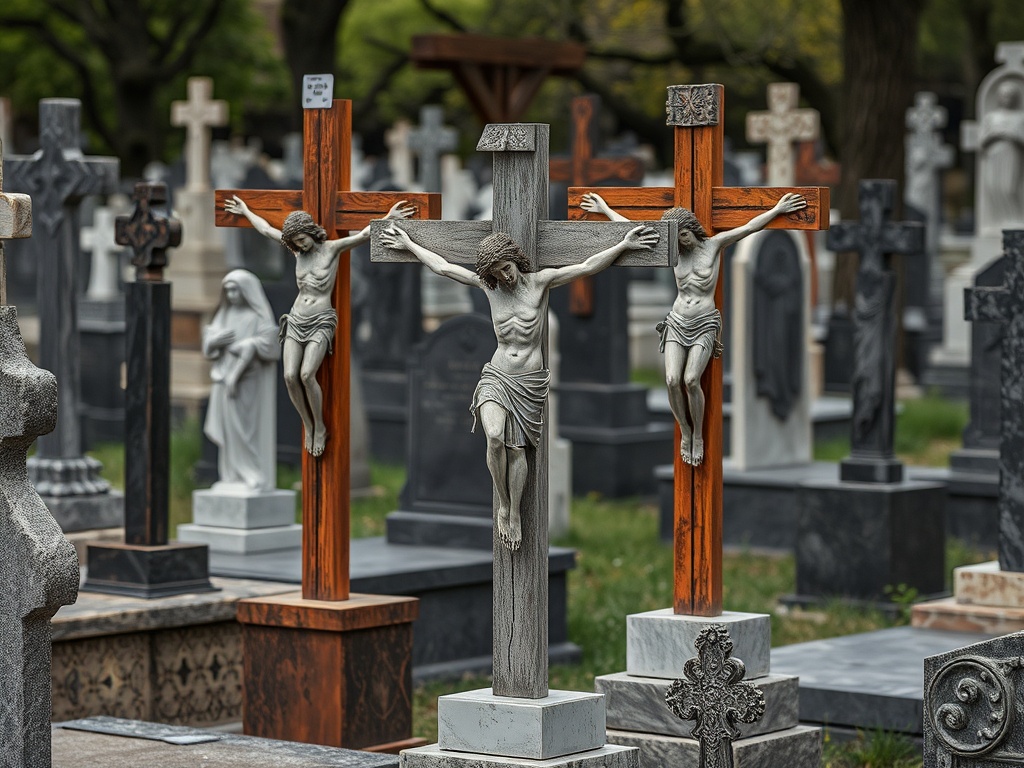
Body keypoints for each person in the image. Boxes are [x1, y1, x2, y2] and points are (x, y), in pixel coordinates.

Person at [380, 222, 659, 550]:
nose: (506, 277)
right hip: (496, 376)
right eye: (498, 273)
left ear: (516, 260)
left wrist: (623, 245)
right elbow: (443, 267)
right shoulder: (491, 289)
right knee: (494, 437)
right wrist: (409, 244)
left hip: (527, 382)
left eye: (507, 268)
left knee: (517, 450)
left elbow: (586, 266)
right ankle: (503, 504)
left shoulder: (541, 283)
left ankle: (514, 511)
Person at [581, 191, 807, 465]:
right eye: (676, 239)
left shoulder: (713, 245)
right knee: (672, 380)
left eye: (684, 236)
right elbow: (632, 229)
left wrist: (778, 209)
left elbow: (749, 227)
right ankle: (685, 431)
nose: (681, 243)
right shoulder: (673, 249)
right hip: (677, 321)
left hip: (703, 323)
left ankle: (697, 434)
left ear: (692, 230)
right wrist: (604, 207)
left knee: (690, 380)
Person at [224, 195, 415, 456]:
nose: (299, 245)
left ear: (310, 232)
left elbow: (362, 235)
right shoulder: (296, 251)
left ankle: (320, 426)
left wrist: (387, 218)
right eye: (295, 242)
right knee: (290, 376)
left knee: (306, 375)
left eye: (302, 239)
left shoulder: (331, 249)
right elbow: (267, 229)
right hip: (296, 318)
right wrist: (245, 209)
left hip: (321, 320)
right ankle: (308, 423)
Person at [203, 270, 280, 491]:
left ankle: (252, 473)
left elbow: (271, 345)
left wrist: (251, 345)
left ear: (247, 291)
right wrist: (213, 342)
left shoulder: (257, 317)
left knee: (245, 430)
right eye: (228, 290)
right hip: (222, 379)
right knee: (227, 430)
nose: (232, 294)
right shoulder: (224, 315)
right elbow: (208, 348)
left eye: (236, 289)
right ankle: (231, 475)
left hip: (248, 382)